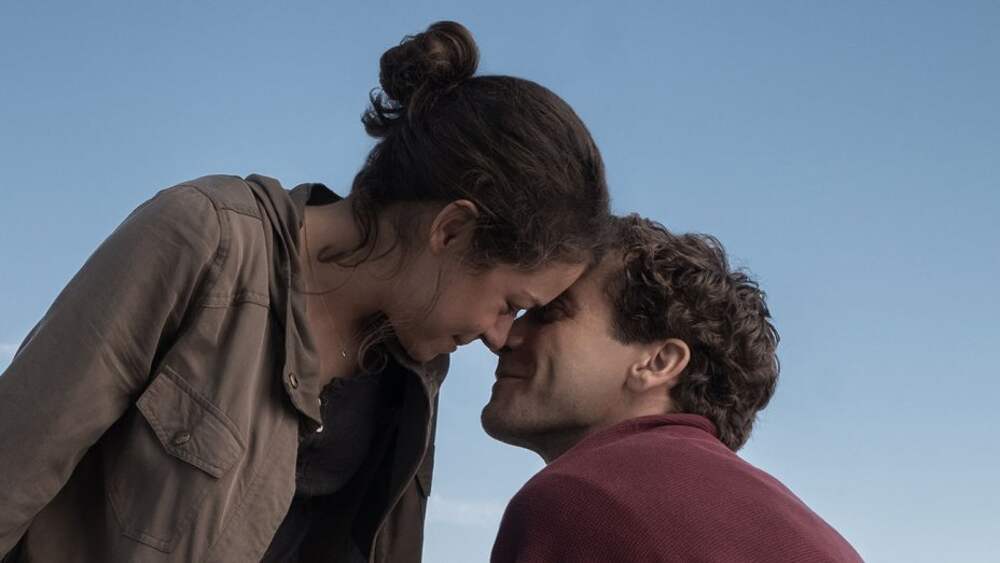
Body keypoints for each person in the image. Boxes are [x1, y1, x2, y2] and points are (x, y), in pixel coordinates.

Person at [0, 21, 611, 563]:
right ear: (451, 231)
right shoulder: (203, 241)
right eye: (510, 304)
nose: (500, 337)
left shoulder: (419, 365)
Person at [483, 215, 863, 562]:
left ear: (659, 362)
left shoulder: (577, 500)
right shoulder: (828, 543)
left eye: (550, 314)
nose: (503, 338)